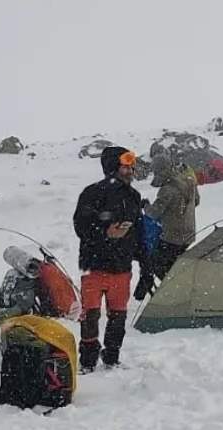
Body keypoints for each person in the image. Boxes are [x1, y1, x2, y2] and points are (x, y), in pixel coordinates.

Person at [73, 145, 144, 372]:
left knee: (118, 317)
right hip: (94, 266)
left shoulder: (133, 196)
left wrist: (146, 267)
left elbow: (139, 234)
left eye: (132, 163)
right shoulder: (92, 193)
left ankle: (111, 357)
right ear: (113, 165)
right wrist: (105, 233)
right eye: (126, 163)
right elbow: (81, 226)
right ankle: (87, 361)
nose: (131, 168)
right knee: (90, 317)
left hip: (121, 267)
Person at [142, 153, 199, 287]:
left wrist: (145, 206)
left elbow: (154, 213)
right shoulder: (188, 182)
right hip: (189, 234)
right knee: (176, 266)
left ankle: (173, 289)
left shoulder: (167, 189)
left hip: (172, 236)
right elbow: (196, 201)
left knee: (157, 264)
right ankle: (179, 287)